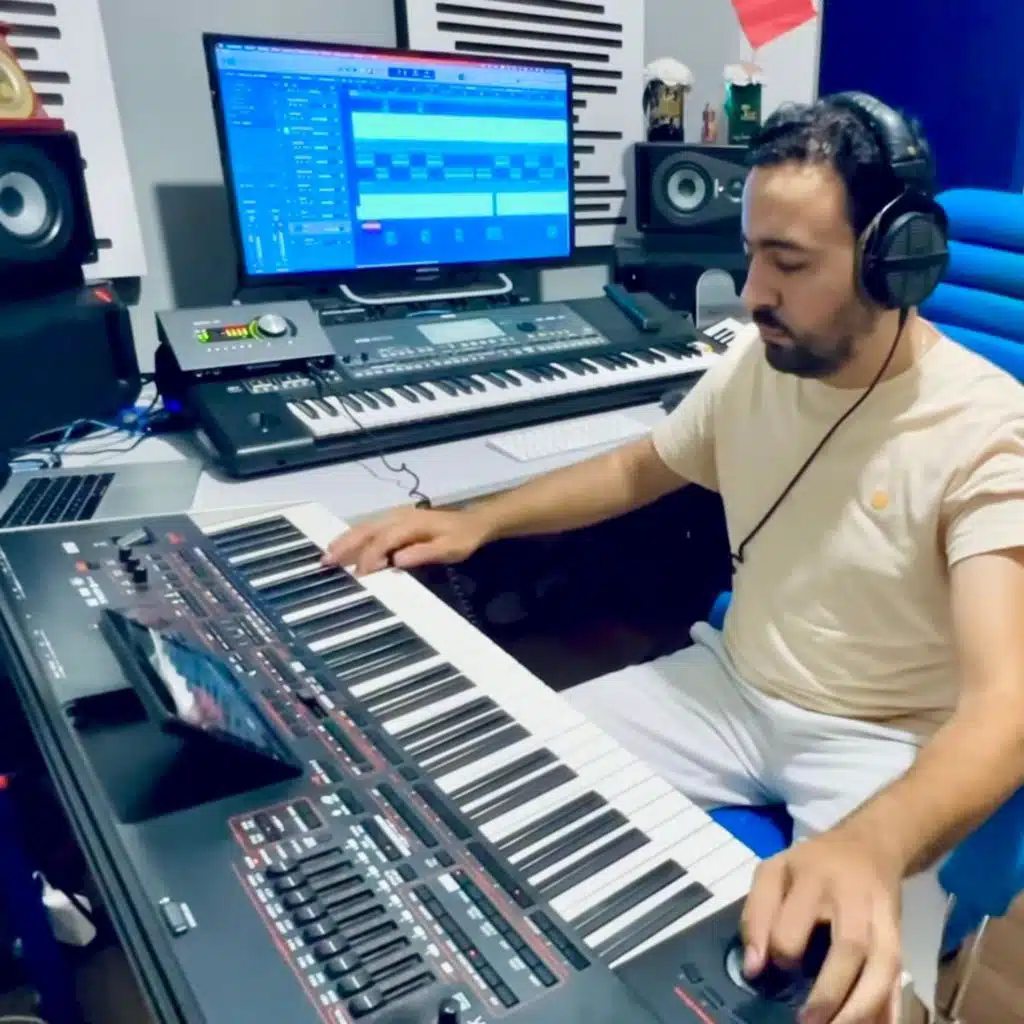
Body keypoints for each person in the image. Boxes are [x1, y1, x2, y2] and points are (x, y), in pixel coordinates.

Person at [323, 97, 1024, 1024]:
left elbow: (1007, 707)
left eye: (789, 263)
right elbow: (639, 467)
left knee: (843, 998)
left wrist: (872, 844)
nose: (753, 293)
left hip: (881, 744)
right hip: (730, 686)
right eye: (752, 253)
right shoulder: (759, 365)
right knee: (483, 790)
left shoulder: (990, 432)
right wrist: (476, 522)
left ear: (894, 263)